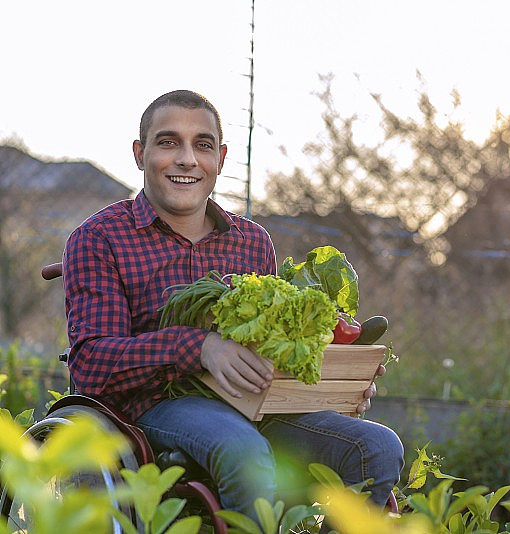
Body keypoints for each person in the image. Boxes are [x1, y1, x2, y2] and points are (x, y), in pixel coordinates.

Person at [62, 89, 404, 520]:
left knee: (376, 448)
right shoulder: (100, 238)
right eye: (168, 142)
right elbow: (91, 363)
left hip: (255, 404)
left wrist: (337, 381)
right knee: (243, 450)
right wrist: (199, 346)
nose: (187, 159)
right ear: (139, 154)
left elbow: (274, 347)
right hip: (153, 406)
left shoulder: (252, 242)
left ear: (220, 159)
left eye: (202, 145)